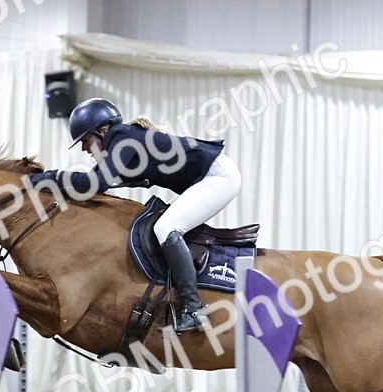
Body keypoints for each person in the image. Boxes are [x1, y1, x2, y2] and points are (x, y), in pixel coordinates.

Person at [29, 98, 241, 334]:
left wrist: (51, 177)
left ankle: (193, 310)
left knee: (166, 228)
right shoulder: (121, 140)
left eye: (85, 140)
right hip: (206, 178)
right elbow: (91, 184)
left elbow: (95, 183)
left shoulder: (123, 139)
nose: (83, 148)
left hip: (218, 177)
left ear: (103, 130)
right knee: (160, 227)